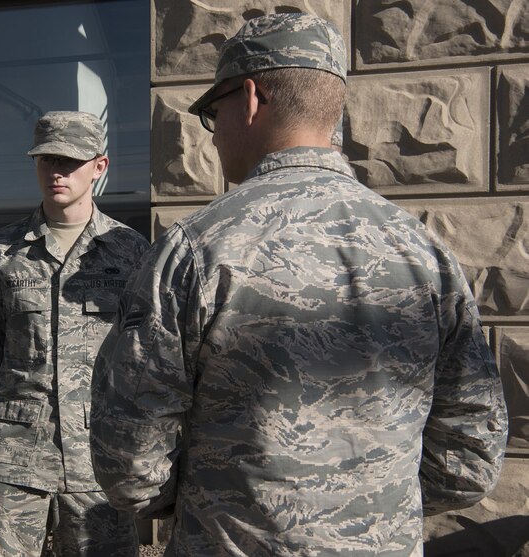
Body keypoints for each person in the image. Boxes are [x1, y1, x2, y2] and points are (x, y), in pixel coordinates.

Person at [89, 13, 508, 556]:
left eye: (213, 116)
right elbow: (470, 458)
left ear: (251, 96)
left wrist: (209, 501)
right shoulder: (426, 253)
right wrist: (367, 509)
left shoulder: (197, 248)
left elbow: (128, 458)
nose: (213, 140)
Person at [0, 111, 148, 556]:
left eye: (70, 161)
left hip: (97, 457)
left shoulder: (130, 250)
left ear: (100, 167)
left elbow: (139, 355)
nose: (56, 172)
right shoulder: (2, 250)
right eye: (47, 161)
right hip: (15, 452)